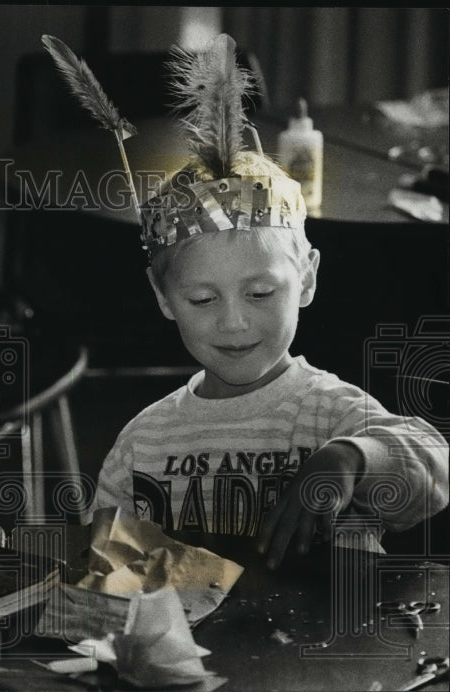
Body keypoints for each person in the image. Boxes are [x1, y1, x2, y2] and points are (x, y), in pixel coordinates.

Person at [90, 34, 448, 567]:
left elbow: (433, 470)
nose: (233, 322)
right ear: (163, 297)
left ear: (305, 280)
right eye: (202, 299)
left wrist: (347, 459)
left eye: (260, 292)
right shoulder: (143, 441)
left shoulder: (332, 414)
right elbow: (107, 575)